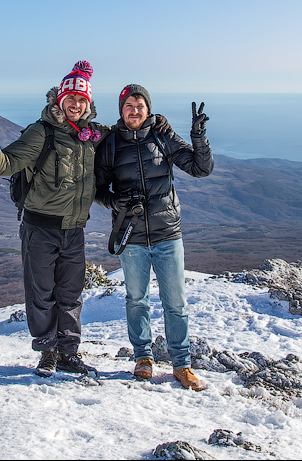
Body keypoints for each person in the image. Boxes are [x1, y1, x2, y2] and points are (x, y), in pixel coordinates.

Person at [0, 63, 169, 378]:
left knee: (70, 295)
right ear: (60, 100)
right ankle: (47, 353)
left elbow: (128, 129)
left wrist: (155, 121)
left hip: (74, 231)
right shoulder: (42, 133)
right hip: (40, 229)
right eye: (70, 98)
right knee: (41, 294)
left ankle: (68, 353)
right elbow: (4, 165)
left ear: (88, 104)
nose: (76, 105)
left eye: (81, 99)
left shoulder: (93, 136)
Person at [94, 84, 214, 390]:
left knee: (176, 302)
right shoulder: (110, 145)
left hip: (167, 233)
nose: (134, 111)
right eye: (129, 106)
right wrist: (114, 203)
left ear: (148, 109)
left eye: (140, 106)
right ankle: (143, 358)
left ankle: (182, 365)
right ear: (121, 111)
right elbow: (97, 189)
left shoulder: (163, 136)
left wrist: (198, 136)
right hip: (131, 236)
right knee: (137, 301)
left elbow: (201, 168)